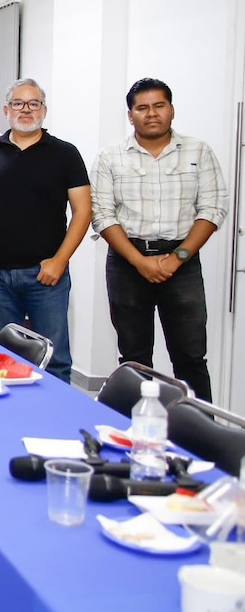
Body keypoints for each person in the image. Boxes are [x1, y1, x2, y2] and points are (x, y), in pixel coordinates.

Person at [91, 78, 227, 401]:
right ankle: (134, 435)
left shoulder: (198, 151)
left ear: (171, 110)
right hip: (127, 263)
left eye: (158, 106)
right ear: (130, 115)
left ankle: (198, 436)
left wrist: (177, 257)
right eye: (142, 108)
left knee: (191, 358)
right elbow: (103, 215)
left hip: (182, 263)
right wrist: (139, 261)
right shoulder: (111, 157)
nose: (151, 114)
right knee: (134, 359)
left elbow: (213, 207)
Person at [0, 79, 91, 383]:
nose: (25, 110)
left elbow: (83, 212)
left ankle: (57, 422)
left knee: (54, 360)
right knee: (0, 358)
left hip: (47, 274)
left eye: (33, 103)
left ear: (44, 110)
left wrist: (60, 261)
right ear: (5, 110)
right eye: (18, 103)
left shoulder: (65, 154)